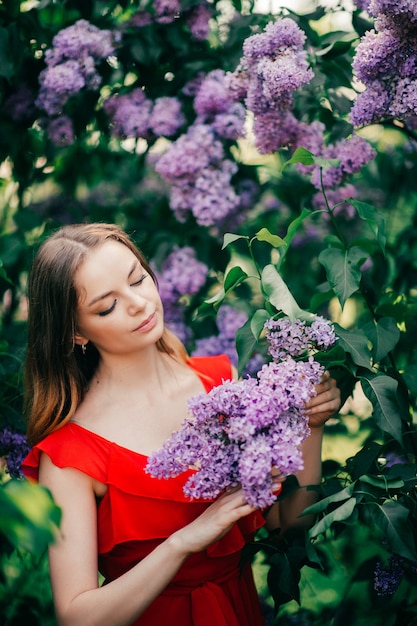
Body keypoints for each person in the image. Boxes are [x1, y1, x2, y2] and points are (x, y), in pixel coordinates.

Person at [22, 223, 340, 626]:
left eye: (138, 279)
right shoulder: (72, 455)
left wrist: (309, 424)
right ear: (75, 332)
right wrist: (183, 543)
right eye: (107, 306)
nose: (138, 303)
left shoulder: (219, 385)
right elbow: (77, 617)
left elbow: (288, 524)